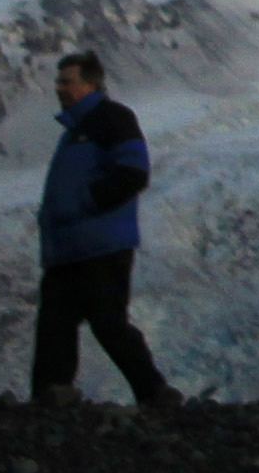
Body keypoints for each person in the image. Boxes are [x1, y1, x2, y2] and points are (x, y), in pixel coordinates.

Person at [34, 52, 179, 408]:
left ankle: (154, 393)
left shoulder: (111, 119)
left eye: (66, 81)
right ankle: (53, 393)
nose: (59, 88)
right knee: (55, 323)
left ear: (91, 84)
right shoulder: (75, 131)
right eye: (59, 81)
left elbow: (133, 172)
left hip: (101, 246)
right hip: (70, 247)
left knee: (107, 322)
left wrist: (85, 203)